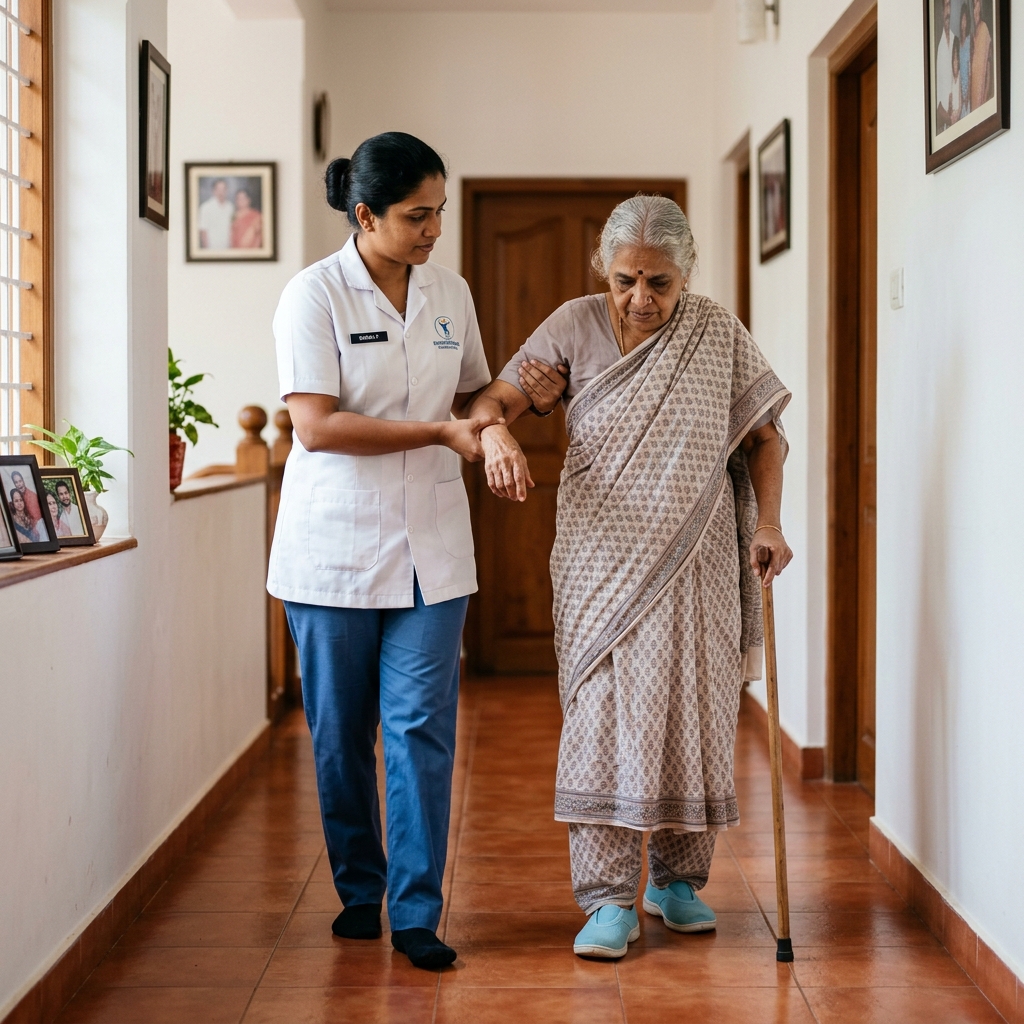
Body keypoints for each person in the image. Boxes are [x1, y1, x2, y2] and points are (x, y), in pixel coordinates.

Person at [467, 195, 792, 959]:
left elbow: (766, 438)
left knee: (694, 709)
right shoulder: (571, 325)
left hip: (698, 560)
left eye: (659, 283)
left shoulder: (716, 332)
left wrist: (770, 524)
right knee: (602, 717)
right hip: (599, 559)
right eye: (625, 281)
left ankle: (676, 882)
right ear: (603, 272)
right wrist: (499, 431)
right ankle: (607, 898)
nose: (641, 298)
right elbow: (492, 401)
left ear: (686, 275)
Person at [267, 132, 499, 971]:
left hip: (432, 548)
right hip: (333, 549)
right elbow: (316, 426)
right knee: (340, 736)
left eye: (439, 212)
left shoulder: (449, 291)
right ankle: (360, 890)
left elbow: (475, 390)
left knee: (420, 730)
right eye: (416, 216)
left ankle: (416, 912)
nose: (434, 229)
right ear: (365, 215)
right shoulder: (314, 295)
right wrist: (439, 432)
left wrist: (494, 423)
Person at [935, 0, 955, 132]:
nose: (948, 12)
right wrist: (948, 118)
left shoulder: (956, 41)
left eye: (950, 6)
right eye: (946, 6)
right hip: (946, 123)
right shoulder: (939, 48)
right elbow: (937, 103)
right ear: (942, 12)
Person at [970, 0, 993, 111]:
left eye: (977, 4)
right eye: (973, 6)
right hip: (974, 95)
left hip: (983, 96)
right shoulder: (973, 35)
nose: (975, 10)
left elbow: (989, 66)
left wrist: (986, 94)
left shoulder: (985, 29)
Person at [198, 179, 234, 250]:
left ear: (227, 191)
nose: (221, 192)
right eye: (218, 189)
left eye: (224, 189)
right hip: (212, 248)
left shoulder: (230, 207)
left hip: (227, 247)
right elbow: (203, 231)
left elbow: (232, 228)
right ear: (213, 191)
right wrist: (206, 250)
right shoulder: (205, 207)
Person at [959, 3, 972, 117]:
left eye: (965, 19)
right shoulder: (958, 44)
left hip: (967, 88)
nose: (963, 23)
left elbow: (970, 70)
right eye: (962, 19)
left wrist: (967, 94)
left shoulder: (969, 41)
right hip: (959, 90)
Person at [950, 41, 963, 122]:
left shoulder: (959, 77)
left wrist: (957, 114)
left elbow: (960, 101)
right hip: (952, 114)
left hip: (958, 114)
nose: (955, 62)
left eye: (957, 59)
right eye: (954, 59)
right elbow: (951, 99)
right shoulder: (951, 77)